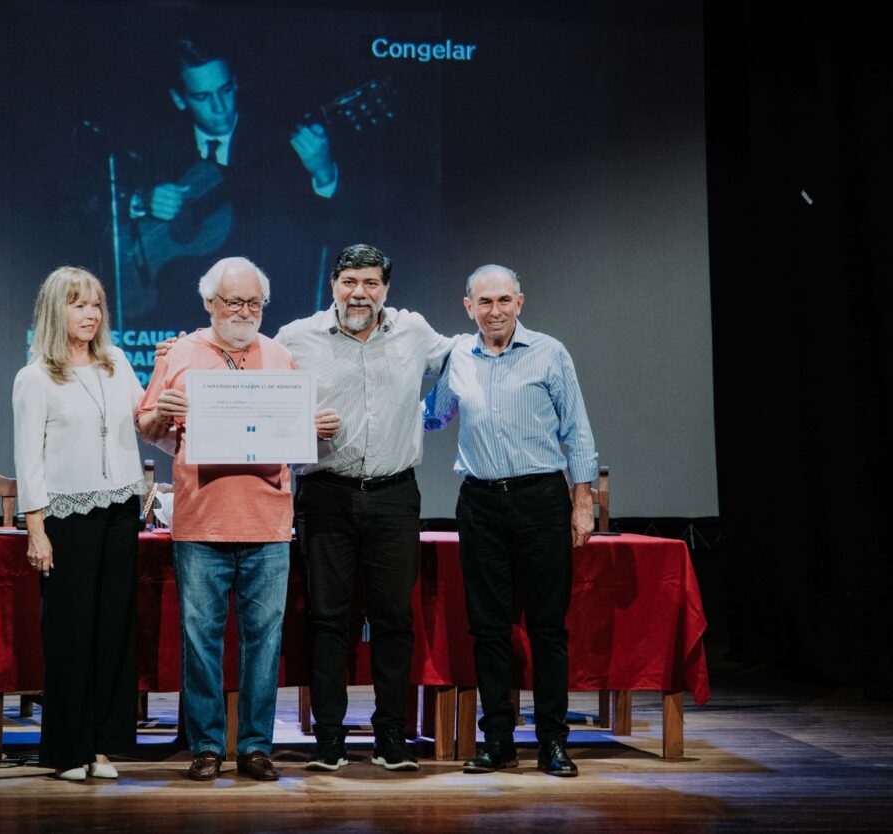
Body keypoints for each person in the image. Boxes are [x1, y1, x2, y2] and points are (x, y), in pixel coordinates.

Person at [136, 256, 339, 782]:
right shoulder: (179, 353)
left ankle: (254, 746)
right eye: (233, 302)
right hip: (201, 522)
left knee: (264, 642)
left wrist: (312, 426)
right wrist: (164, 410)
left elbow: (295, 436)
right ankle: (206, 745)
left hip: (268, 523)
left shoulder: (280, 356)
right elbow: (147, 422)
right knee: (200, 639)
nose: (245, 311)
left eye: (254, 303)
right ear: (209, 303)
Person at [274, 243, 454, 771]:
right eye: (350, 280)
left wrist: (437, 413)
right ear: (333, 284)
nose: (360, 292)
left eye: (371, 283)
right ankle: (329, 737)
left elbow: (464, 361)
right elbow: (261, 398)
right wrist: (300, 424)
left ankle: (390, 737)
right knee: (328, 619)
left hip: (395, 495)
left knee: (394, 620)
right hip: (325, 494)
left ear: (386, 290)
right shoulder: (295, 338)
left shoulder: (414, 332)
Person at [423, 264, 598, 777]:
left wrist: (581, 501)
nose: (494, 311)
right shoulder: (458, 356)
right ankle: (497, 740)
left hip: (542, 499)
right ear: (468, 307)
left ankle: (552, 743)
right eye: (484, 302)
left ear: (519, 302)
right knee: (489, 629)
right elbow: (433, 416)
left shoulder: (549, 352)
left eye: (503, 301)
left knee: (546, 629)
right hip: (479, 502)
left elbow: (578, 431)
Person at [13, 266, 147, 781]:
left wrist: (168, 377)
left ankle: (104, 747)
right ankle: (68, 749)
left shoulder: (115, 362)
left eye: (95, 305)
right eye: (77, 304)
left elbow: (145, 418)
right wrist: (37, 530)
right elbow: (30, 460)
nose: (89, 314)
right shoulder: (35, 377)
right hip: (67, 516)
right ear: (55, 310)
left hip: (119, 512)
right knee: (70, 633)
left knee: (114, 630)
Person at [120, 38, 341, 330]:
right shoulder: (156, 145)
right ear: (179, 98)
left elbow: (324, 230)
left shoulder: (275, 142)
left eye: (225, 90)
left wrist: (323, 172)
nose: (219, 107)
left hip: (259, 320)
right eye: (202, 97)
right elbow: (85, 202)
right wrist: (143, 201)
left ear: (235, 84)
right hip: (171, 317)